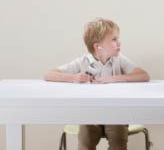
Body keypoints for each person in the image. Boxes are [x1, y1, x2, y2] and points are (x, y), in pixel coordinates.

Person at [45, 18, 150, 150]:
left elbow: (143, 75)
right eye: (114, 39)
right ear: (97, 46)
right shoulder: (83, 62)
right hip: (90, 114)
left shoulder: (118, 59)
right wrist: (74, 77)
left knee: (118, 142)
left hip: (115, 115)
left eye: (118, 38)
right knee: (85, 143)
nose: (119, 42)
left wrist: (112, 79)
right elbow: (49, 74)